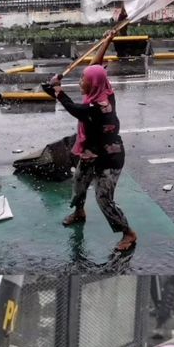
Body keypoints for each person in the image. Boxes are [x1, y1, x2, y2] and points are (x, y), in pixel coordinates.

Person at [49, 31, 137, 252]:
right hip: (90, 153)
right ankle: (79, 212)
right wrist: (106, 42)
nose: (80, 81)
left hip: (109, 158)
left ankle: (128, 233)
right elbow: (95, 66)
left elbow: (73, 108)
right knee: (78, 185)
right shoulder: (104, 89)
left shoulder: (96, 109)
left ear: (93, 84)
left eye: (83, 80)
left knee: (103, 199)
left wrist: (57, 90)